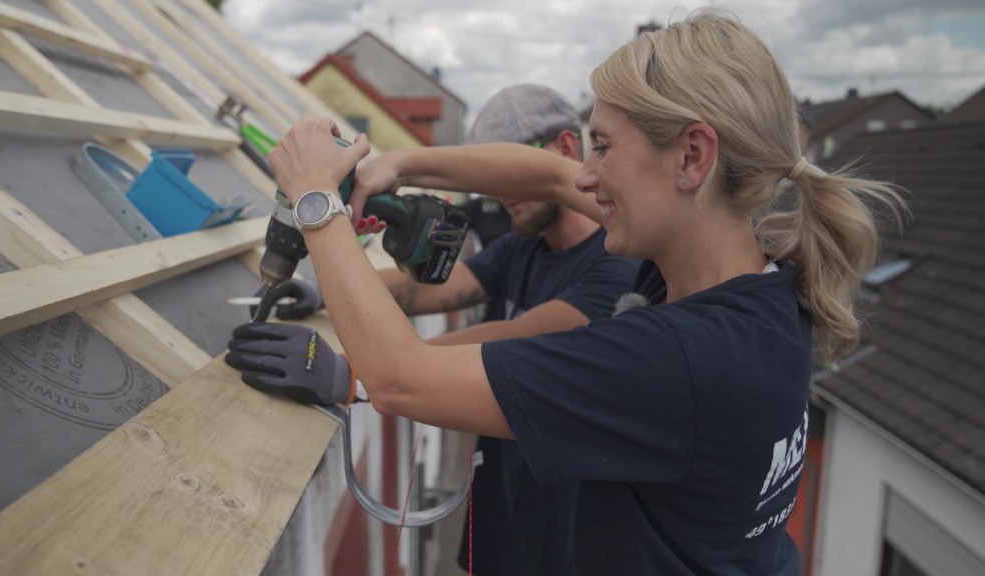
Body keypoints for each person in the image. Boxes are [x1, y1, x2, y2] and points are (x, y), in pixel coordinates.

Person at [234, 9, 905, 574]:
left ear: (693, 157)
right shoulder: (755, 292)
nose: (583, 177)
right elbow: (550, 178)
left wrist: (318, 202)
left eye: (603, 148)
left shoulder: (679, 358)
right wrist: (401, 163)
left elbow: (402, 378)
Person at [229, 84, 637, 575]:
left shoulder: (620, 271)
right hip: (502, 528)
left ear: (568, 150)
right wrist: (323, 287)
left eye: (505, 168)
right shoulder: (523, 248)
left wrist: (348, 375)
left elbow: (516, 339)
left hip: (561, 545)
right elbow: (424, 290)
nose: (499, 196)